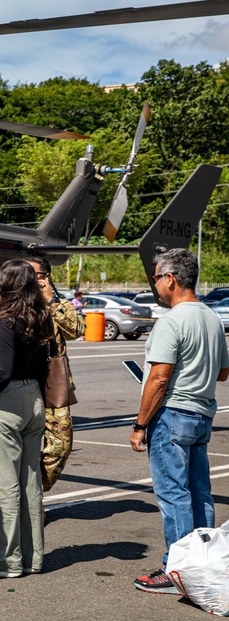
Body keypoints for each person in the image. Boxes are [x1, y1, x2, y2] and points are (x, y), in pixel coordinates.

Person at [130, 248, 229, 594]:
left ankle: (176, 569)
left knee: (173, 495)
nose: (154, 284)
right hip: (202, 414)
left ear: (170, 279)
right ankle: (204, 563)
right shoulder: (212, 318)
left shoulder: (171, 321)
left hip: (171, 414)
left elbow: (159, 378)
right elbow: (223, 374)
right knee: (200, 491)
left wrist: (140, 424)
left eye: (155, 277)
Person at [0, 260, 52, 579]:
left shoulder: (3, 321)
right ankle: (32, 558)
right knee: (30, 483)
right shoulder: (41, 318)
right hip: (34, 398)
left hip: (5, 402)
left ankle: (6, 560)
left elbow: (1, 371)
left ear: (5, 284)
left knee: (2, 485)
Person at [26, 257, 85, 491]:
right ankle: (26, 502)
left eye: (31, 273)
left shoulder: (58, 303)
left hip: (52, 383)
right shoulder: (16, 301)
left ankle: (35, 490)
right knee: (21, 447)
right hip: (21, 383)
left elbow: (76, 329)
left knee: (61, 445)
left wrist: (50, 300)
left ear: (45, 277)